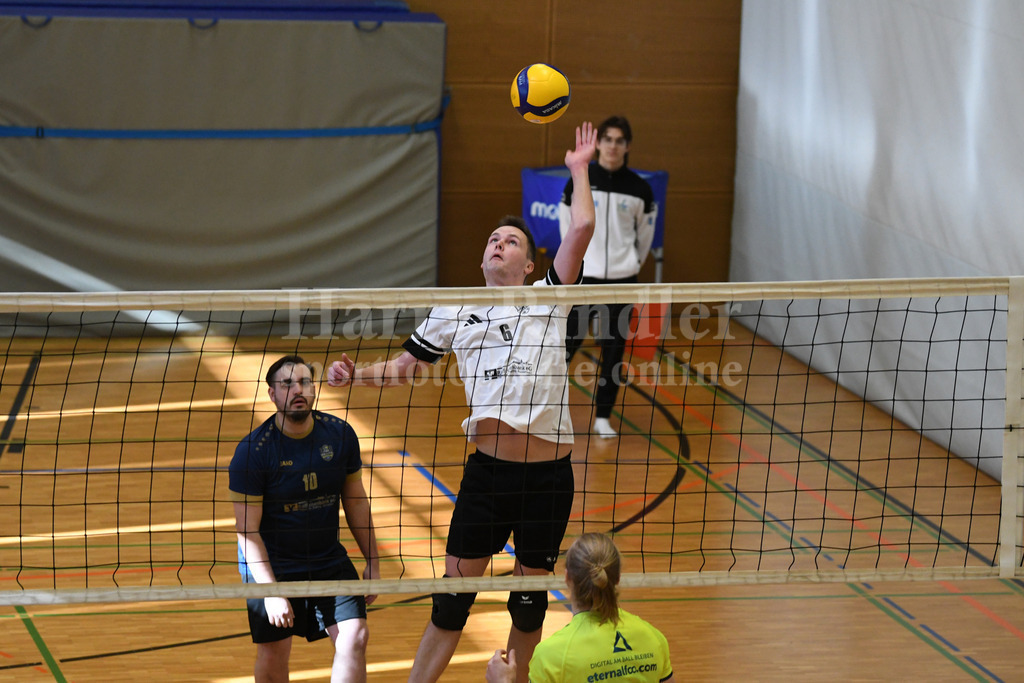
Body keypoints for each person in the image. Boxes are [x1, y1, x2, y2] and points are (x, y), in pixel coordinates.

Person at [327, 121, 598, 683]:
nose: (498, 244)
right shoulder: (453, 309)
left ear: (529, 266)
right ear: (484, 262)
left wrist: (579, 169)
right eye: (493, 240)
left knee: (529, 606)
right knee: (452, 603)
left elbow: (584, 226)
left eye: (512, 241)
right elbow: (404, 370)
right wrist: (356, 375)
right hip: (487, 479)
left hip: (549, 480)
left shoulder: (550, 299)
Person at [229, 354, 380, 683]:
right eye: (287, 384)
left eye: (305, 382)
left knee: (355, 637)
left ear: (314, 389)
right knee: (274, 651)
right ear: (272, 394)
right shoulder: (254, 452)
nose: (298, 389)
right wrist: (270, 591)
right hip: (273, 564)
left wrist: (373, 560)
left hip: (327, 559)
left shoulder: (339, 435)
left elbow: (355, 500)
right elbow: (246, 532)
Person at [560, 115, 658, 439]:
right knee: (562, 348)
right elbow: (569, 228)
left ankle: (603, 416)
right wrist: (576, 264)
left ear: (627, 146)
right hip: (582, 281)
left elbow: (644, 239)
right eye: (608, 139)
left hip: (622, 281)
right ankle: (549, 411)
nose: (613, 145)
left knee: (613, 353)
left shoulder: (641, 190)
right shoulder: (579, 181)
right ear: (598, 143)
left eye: (619, 140)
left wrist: (628, 265)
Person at [485, 533, 674, 683]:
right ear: (617, 578)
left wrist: (502, 681)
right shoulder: (653, 638)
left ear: (567, 578)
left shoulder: (551, 655)